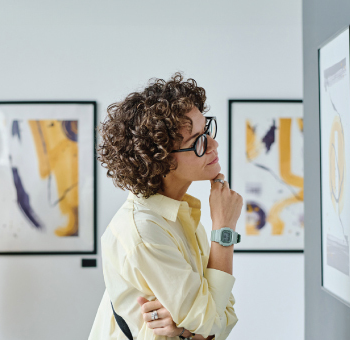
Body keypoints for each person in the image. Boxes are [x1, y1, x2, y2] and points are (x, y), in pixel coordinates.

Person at [89, 73, 242, 340]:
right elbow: (214, 321)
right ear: (161, 160)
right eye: (197, 141)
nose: (214, 144)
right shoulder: (145, 232)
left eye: (207, 130)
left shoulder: (178, 215)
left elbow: (222, 317)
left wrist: (187, 331)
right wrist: (224, 230)